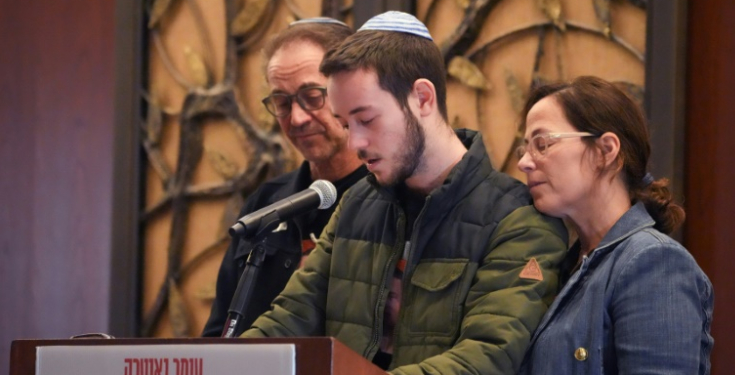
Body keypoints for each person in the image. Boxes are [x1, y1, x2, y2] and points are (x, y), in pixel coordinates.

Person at [240, 11, 569, 375]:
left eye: (366, 120)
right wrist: (231, 363)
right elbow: (289, 319)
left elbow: (484, 359)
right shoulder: (356, 205)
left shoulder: (518, 221)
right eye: (346, 124)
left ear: (423, 98)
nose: (356, 142)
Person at [515, 76, 714, 374]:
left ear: (606, 150)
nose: (525, 163)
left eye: (542, 144)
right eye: (525, 149)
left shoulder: (655, 262)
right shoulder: (562, 265)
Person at [202, 18, 368, 337]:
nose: (297, 118)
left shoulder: (392, 197)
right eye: (282, 102)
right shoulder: (265, 206)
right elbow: (218, 335)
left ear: (350, 91)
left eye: (313, 96)